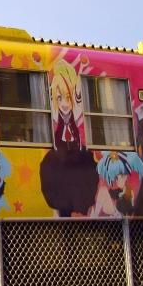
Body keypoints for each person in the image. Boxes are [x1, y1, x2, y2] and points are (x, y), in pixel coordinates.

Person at [39, 58, 97, 217]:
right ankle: (64, 207)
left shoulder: (75, 116)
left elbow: (78, 90)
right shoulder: (55, 118)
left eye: (68, 97)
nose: (64, 104)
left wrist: (82, 68)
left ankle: (80, 207)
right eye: (59, 98)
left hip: (75, 156)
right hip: (62, 156)